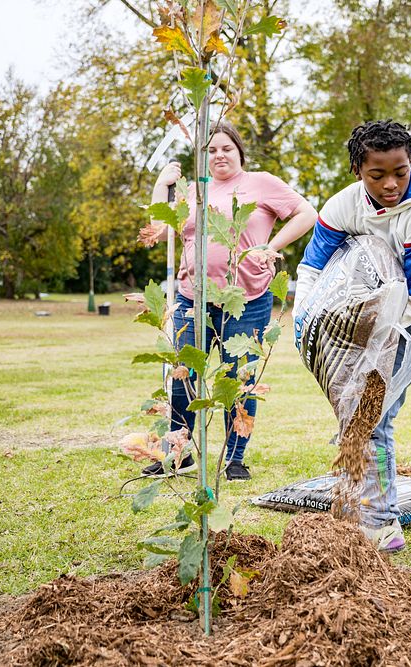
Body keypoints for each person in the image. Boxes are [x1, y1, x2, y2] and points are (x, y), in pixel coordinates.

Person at [294, 119, 411, 571]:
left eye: (400, 170)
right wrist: (304, 320)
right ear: (359, 170)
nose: (392, 183)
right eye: (378, 175)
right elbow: (312, 267)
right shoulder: (342, 207)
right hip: (384, 317)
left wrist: (374, 348)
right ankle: (380, 524)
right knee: (368, 418)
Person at [144, 120, 317, 481]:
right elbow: (160, 233)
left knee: (239, 380)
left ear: (239, 151)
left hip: (247, 296)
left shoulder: (261, 183)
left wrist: (271, 247)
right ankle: (178, 452)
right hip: (192, 297)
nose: (219, 155)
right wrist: (162, 187)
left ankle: (235, 458)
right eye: (211, 150)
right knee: (183, 378)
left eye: (226, 148)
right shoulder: (193, 190)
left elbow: (307, 214)